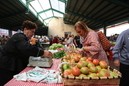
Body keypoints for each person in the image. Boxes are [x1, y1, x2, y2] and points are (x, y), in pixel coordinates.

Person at [0, 20, 52, 85]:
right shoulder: (18, 36)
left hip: (14, 65)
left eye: (34, 32)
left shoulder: (24, 38)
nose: (33, 34)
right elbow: (26, 48)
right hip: (7, 66)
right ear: (25, 29)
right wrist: (42, 52)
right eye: (32, 32)